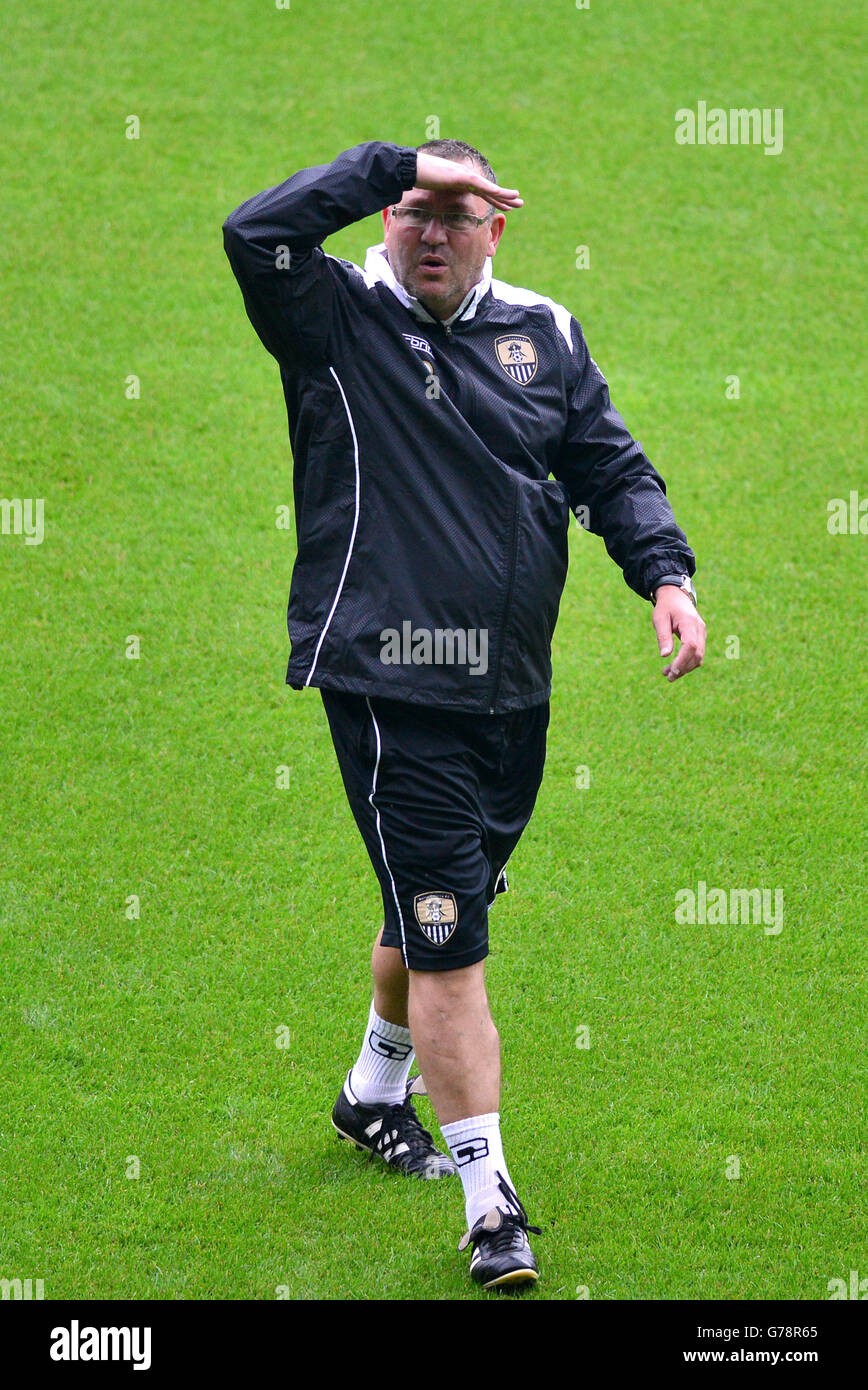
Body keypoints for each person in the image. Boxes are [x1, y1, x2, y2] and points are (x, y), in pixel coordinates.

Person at [223, 138, 705, 1292]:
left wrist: (666, 575)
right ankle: (492, 1207)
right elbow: (256, 233)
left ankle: (370, 1092)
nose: (429, 231)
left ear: (497, 227)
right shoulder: (334, 321)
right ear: (384, 218)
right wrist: (395, 158)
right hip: (391, 683)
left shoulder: (545, 331)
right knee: (451, 939)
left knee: (440, 900)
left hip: (508, 687)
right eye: (411, 210)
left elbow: (608, 465)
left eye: (456, 213)